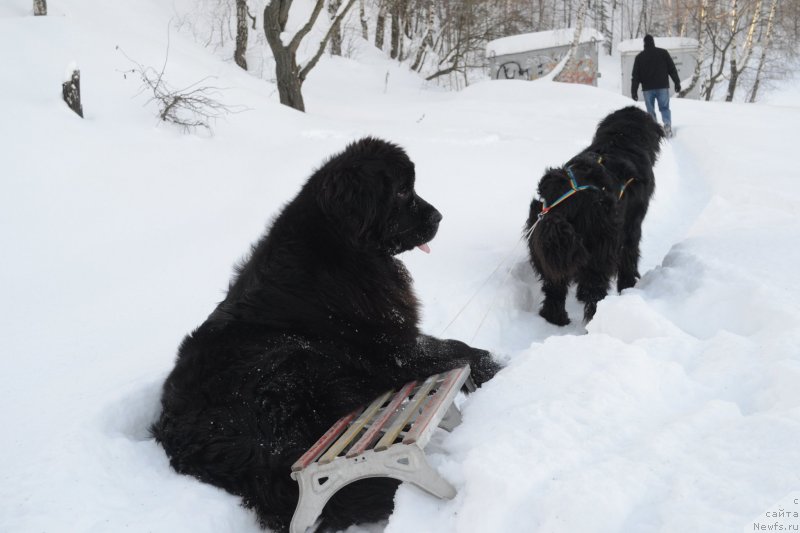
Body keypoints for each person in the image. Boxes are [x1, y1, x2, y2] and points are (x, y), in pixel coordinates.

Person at [631, 34, 681, 137]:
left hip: (647, 89)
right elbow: (672, 69)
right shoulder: (663, 53)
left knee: (650, 111)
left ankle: (654, 130)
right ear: (653, 42)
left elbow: (635, 76)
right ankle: (667, 125)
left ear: (644, 44)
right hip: (662, 86)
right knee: (664, 108)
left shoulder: (639, 57)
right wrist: (677, 82)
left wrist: (634, 91)